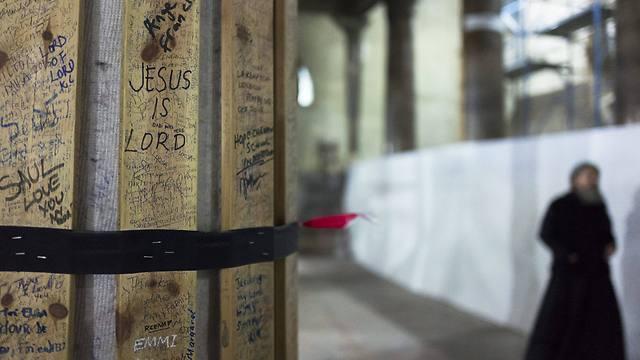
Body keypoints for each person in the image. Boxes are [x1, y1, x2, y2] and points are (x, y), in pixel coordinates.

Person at [525, 162, 626, 360]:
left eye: (594, 176)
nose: (592, 180)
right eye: (587, 176)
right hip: (568, 275)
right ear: (575, 179)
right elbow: (546, 234)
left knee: (597, 321)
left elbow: (606, 232)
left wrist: (610, 243)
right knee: (564, 319)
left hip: (597, 274)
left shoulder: (598, 204)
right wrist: (566, 254)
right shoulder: (560, 204)